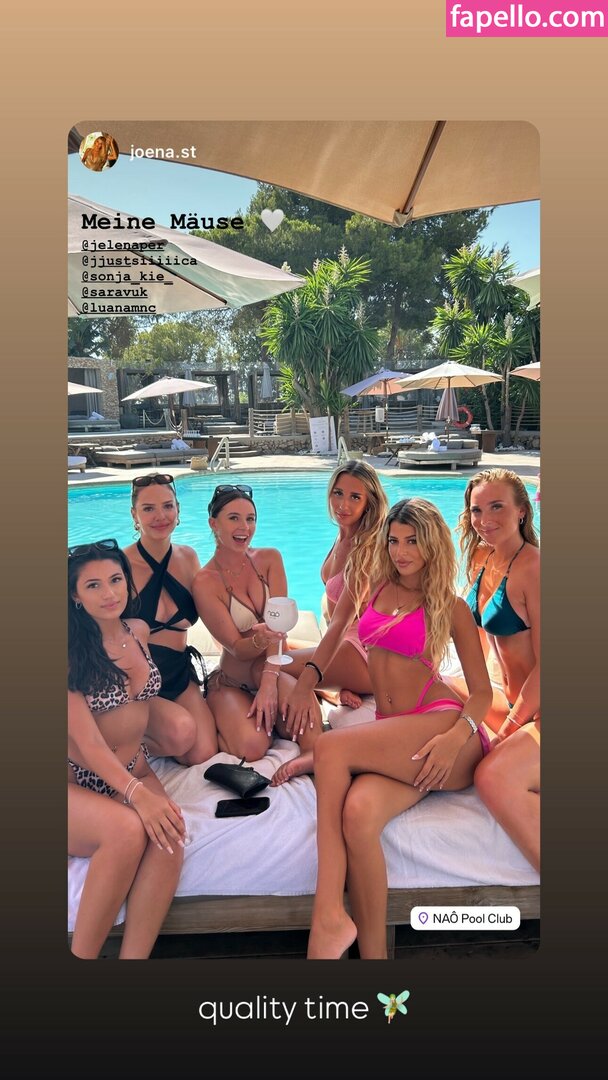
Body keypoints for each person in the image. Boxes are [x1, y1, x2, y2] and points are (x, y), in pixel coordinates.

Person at [287, 498, 492, 959]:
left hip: (444, 731)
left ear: (432, 544)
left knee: (332, 749)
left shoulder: (450, 606)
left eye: (413, 541)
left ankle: (326, 914)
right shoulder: (372, 586)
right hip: (399, 735)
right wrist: (307, 683)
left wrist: (455, 737)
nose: (401, 551)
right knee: (358, 814)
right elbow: (333, 637)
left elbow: (481, 693)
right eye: (394, 540)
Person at [68, 539, 186, 959]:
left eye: (115, 580)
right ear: (75, 597)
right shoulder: (67, 651)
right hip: (77, 778)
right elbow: (88, 744)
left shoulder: (137, 631)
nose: (109, 593)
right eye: (93, 585)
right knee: (127, 831)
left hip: (135, 766)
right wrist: (138, 796)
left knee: (170, 839)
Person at [271, 461, 388, 785]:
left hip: (364, 653)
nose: (343, 504)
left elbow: (339, 625)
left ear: (369, 502)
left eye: (355, 497)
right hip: (345, 644)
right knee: (275, 650)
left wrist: (305, 686)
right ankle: (332, 694)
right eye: (338, 493)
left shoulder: (366, 549)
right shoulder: (343, 536)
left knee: (274, 667)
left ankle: (315, 749)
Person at [192, 483, 322, 763]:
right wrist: (261, 639)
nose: (245, 527)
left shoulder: (269, 559)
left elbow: (280, 626)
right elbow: (237, 648)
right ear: (213, 523)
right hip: (233, 682)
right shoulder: (204, 582)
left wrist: (269, 683)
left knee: (311, 733)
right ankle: (218, 719)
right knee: (252, 748)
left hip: (271, 669)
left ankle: (313, 699)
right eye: (234, 518)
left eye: (250, 519)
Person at [458, 468, 540, 872]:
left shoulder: (535, 569)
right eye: (476, 510)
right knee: (435, 692)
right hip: (507, 697)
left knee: (491, 777)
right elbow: (476, 642)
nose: (484, 519)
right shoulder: (481, 557)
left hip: (538, 708)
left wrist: (507, 729)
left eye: (496, 507)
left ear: (521, 511)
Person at [123, 473, 217, 764]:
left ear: (178, 509)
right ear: (135, 515)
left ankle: (142, 733)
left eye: (167, 506)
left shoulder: (188, 558)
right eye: (148, 508)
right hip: (136, 679)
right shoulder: (120, 565)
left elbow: (214, 612)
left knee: (202, 753)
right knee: (180, 733)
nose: (160, 516)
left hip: (178, 670)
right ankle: (115, 739)